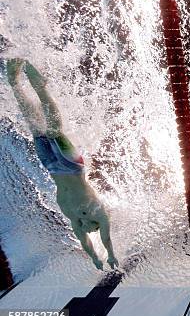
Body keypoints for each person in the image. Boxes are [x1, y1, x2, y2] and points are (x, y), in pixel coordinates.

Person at [5, 59, 117, 270]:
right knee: (54, 131)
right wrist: (110, 255)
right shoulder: (97, 212)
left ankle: (15, 84)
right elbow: (106, 236)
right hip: (72, 166)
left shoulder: (75, 219)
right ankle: (41, 88)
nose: (88, 231)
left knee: (36, 129)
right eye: (92, 229)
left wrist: (94, 258)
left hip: (52, 167)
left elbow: (85, 243)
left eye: (87, 230)